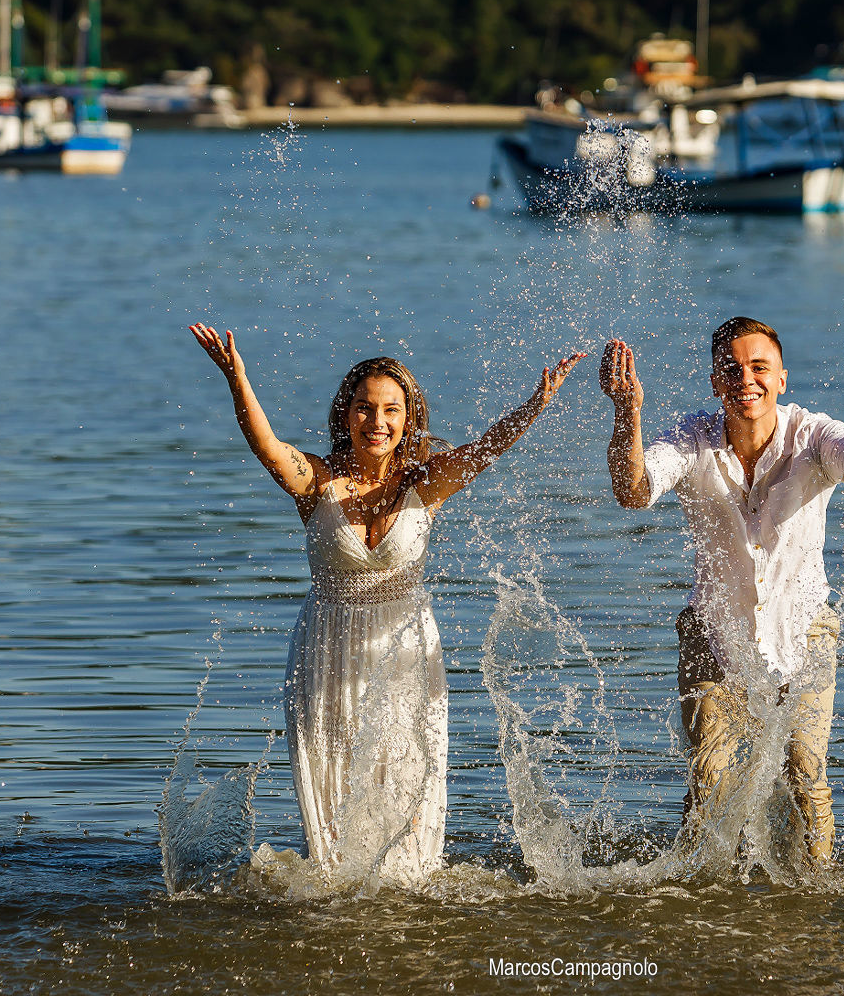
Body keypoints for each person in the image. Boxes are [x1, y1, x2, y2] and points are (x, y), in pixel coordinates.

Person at [190, 323, 584, 883]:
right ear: (345, 415)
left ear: (408, 417)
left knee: (407, 792)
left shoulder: (426, 482)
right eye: (364, 408)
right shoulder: (317, 484)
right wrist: (239, 381)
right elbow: (269, 448)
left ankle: (409, 899)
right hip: (328, 652)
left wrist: (536, 404)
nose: (377, 422)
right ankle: (336, 909)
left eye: (391, 410)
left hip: (406, 656)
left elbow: (487, 449)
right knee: (331, 809)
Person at [599, 314, 844, 867]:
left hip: (805, 628)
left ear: (782, 378)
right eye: (733, 368)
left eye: (759, 367)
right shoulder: (690, 439)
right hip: (712, 633)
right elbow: (633, 490)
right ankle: (702, 906)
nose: (747, 379)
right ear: (716, 382)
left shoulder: (813, 436)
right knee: (711, 786)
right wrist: (629, 415)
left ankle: (816, 902)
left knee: (805, 778)